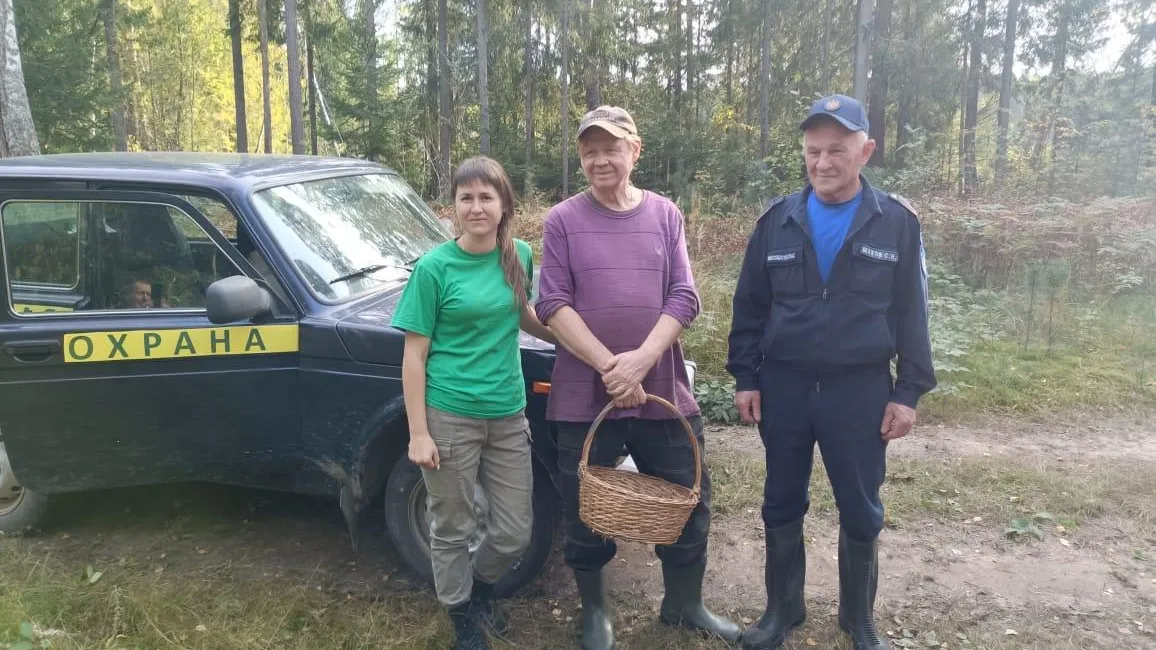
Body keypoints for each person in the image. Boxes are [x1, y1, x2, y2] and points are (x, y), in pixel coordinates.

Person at [726, 94, 936, 650]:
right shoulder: (777, 221)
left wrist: (908, 391)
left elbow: (914, 312)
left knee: (860, 504)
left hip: (859, 389)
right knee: (781, 499)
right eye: (813, 151)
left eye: (837, 150)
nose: (823, 162)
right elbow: (749, 307)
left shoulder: (895, 222)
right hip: (785, 387)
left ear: (864, 151)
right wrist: (746, 377)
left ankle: (857, 619)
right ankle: (782, 610)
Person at [536, 105, 741, 650]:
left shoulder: (665, 215)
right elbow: (552, 302)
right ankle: (596, 614)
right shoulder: (561, 221)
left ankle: (684, 604)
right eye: (590, 149)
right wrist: (609, 366)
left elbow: (685, 295)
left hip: (662, 388)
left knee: (689, 494)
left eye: (612, 147)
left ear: (635, 150)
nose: (600, 158)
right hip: (585, 397)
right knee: (584, 507)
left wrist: (639, 363)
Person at [390, 156, 555, 650]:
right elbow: (414, 357)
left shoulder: (518, 254)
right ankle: (461, 613)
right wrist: (419, 433)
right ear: (454, 208)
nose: (477, 207)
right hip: (450, 415)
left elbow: (522, 315)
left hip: (507, 413)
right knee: (452, 525)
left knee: (513, 532)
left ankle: (478, 591)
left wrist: (573, 338)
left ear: (504, 205)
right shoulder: (434, 269)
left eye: (487, 197)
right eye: (467, 198)